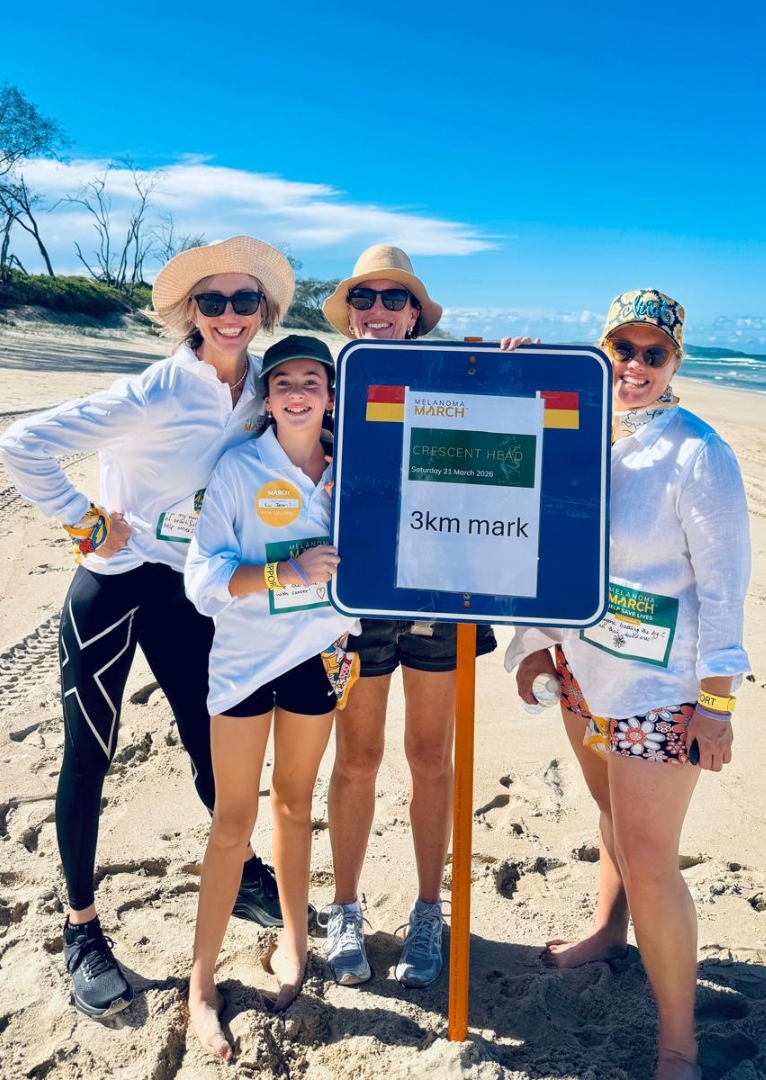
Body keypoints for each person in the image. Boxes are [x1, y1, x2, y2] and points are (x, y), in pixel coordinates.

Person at [0, 236, 295, 1019]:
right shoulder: (154, 392)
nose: (230, 315)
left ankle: (245, 876)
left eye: (245, 300)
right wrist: (86, 521)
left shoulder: (263, 389)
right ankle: (81, 929)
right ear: (190, 312)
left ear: (264, 310)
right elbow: (20, 444)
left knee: (211, 742)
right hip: (114, 587)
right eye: (213, 301)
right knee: (89, 753)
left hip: (188, 593)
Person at [508, 289, 751, 1080]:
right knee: (611, 812)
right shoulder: (576, 434)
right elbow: (546, 546)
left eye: (654, 353)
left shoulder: (698, 453)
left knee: (651, 861)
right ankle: (609, 931)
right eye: (624, 349)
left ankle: (678, 1042)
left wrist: (717, 702)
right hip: (584, 674)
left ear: (676, 362)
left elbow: (724, 588)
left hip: (663, 690)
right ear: (602, 350)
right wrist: (535, 649)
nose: (636, 366)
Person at [317, 245, 500, 990]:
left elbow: (512, 449)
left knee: (430, 757)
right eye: (365, 298)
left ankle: (429, 910)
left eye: (395, 299)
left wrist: (515, 371)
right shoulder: (321, 385)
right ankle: (344, 907)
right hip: (354, 601)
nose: (378, 311)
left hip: (440, 595)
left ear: (416, 314)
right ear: (350, 312)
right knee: (357, 759)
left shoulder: (457, 378)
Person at [182, 335, 355, 1060]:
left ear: (331, 395)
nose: (298, 393)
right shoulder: (239, 467)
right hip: (244, 664)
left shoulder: (355, 469)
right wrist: (286, 572)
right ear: (268, 395)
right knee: (233, 819)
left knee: (294, 804)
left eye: (312, 380)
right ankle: (199, 982)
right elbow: (202, 578)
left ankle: (294, 940)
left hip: (319, 656)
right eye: (284, 381)